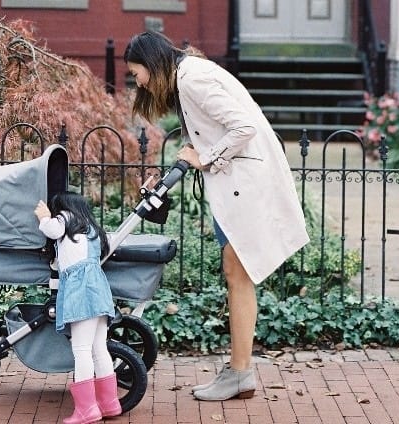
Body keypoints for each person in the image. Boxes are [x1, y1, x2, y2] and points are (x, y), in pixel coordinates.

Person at [124, 31, 310, 401]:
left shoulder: (192, 79)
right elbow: (215, 130)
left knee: (238, 274)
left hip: (245, 186)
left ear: (153, 63)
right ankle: (239, 371)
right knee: (235, 273)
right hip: (235, 187)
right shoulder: (188, 76)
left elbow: (244, 127)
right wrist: (189, 155)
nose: (137, 81)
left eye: (136, 72)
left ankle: (240, 372)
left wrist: (206, 157)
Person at [34, 192, 121, 424]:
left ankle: (87, 410)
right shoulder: (91, 230)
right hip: (99, 290)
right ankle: (109, 404)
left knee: (81, 349)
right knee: (99, 348)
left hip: (80, 290)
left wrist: (44, 217)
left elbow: (52, 230)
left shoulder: (64, 219)